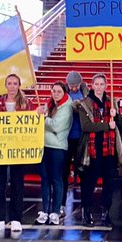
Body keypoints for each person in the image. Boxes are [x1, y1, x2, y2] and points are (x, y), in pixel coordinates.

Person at [76, 73, 122, 227]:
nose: (99, 87)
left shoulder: (112, 103)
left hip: (109, 151)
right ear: (92, 85)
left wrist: (116, 116)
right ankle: (87, 213)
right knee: (89, 183)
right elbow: (86, 126)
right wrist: (106, 125)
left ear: (106, 86)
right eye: (96, 84)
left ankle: (106, 213)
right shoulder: (84, 104)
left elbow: (121, 127)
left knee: (109, 184)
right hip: (92, 150)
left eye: (102, 84)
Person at [0, 73, 34, 237]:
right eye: (10, 83)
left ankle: (16, 218)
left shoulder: (26, 103)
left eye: (15, 83)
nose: (12, 86)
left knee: (17, 183)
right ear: (6, 85)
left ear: (19, 85)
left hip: (18, 148)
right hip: (1, 148)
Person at [39, 82, 73, 225]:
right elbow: (51, 124)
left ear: (64, 92)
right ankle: (45, 210)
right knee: (45, 179)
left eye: (59, 91)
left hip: (58, 147)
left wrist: (41, 118)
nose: (56, 93)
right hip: (44, 145)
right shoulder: (49, 104)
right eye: (54, 91)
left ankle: (55, 210)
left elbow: (57, 126)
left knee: (57, 179)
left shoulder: (67, 107)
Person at [63, 70, 86, 216]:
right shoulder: (64, 94)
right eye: (71, 86)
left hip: (81, 136)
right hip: (66, 136)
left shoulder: (85, 93)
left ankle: (85, 203)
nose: (73, 88)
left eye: (75, 86)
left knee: (83, 170)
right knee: (63, 171)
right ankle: (61, 203)